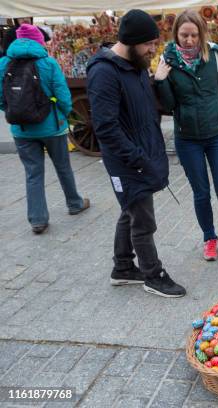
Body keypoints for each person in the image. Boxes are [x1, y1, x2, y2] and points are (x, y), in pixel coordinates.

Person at [87, 9, 186, 298]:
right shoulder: (104, 72)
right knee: (143, 219)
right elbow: (105, 128)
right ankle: (153, 275)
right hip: (127, 160)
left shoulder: (137, 64)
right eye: (149, 44)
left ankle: (122, 267)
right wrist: (138, 159)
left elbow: (141, 107)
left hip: (142, 154)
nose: (152, 49)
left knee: (130, 208)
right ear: (131, 41)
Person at [154, 9, 218, 262]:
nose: (189, 40)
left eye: (194, 35)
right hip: (187, 139)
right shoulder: (168, 61)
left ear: (202, 34)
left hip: (217, 134)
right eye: (184, 35)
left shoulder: (214, 57)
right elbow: (170, 106)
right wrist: (161, 81)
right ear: (176, 34)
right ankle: (209, 237)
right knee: (201, 192)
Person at [0, 24, 89, 234]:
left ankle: (38, 220)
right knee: (63, 167)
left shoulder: (3, 64)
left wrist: (12, 110)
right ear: (39, 41)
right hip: (52, 127)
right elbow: (64, 97)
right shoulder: (49, 63)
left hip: (21, 129)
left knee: (33, 173)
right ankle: (74, 203)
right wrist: (62, 114)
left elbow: (1, 100)